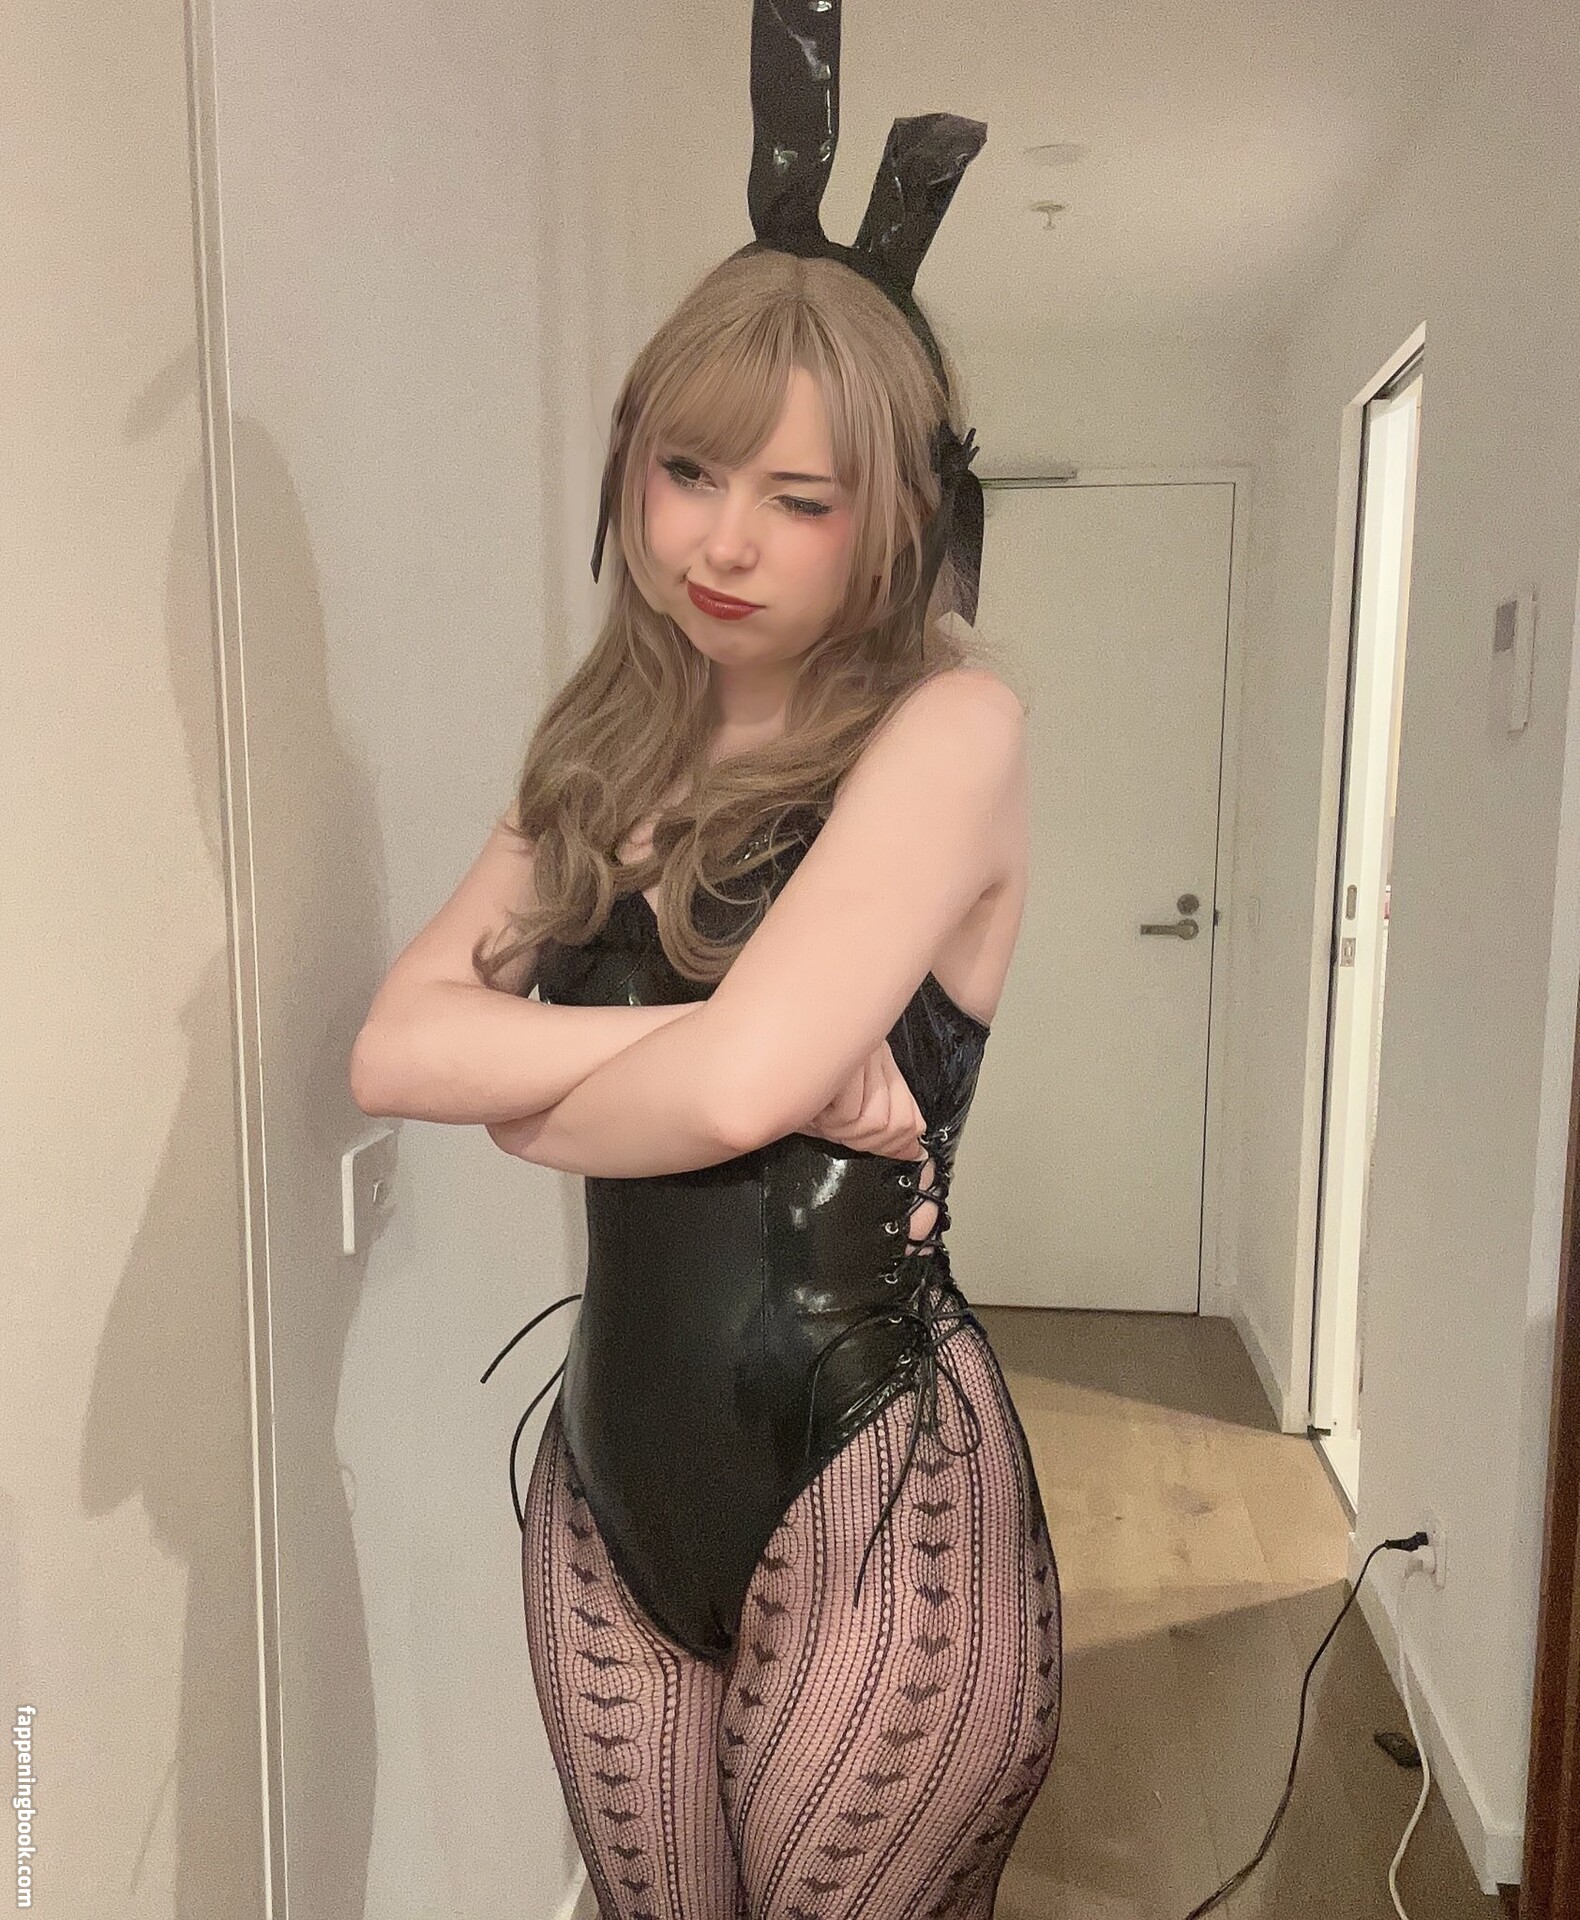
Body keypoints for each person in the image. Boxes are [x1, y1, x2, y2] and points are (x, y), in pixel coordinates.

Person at [350, 6, 1063, 1914]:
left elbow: (734, 1089)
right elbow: (397, 1050)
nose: (721, 543)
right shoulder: (602, 748)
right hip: (608, 1489)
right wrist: (668, 1072)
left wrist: (548, 1084)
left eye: (799, 501)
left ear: (890, 520)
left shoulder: (949, 731)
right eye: (688, 472)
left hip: (871, 1498)